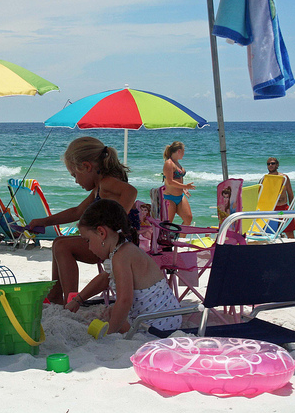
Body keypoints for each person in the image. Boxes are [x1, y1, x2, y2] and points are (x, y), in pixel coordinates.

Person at [28, 137, 137, 305]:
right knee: (58, 242)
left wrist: (118, 220)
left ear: (87, 167)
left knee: (62, 246)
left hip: (118, 245)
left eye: (74, 175)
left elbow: (131, 192)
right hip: (104, 242)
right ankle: (56, 295)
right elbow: (78, 212)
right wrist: (43, 221)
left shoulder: (107, 183)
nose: (76, 181)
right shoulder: (99, 188)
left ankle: (70, 299)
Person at [65, 199, 181, 334]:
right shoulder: (122, 249)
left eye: (88, 240)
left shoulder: (121, 256)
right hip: (167, 316)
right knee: (112, 311)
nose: (89, 247)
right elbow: (104, 278)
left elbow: (125, 300)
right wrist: (78, 300)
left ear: (101, 233)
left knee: (115, 313)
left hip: (158, 324)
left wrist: (109, 334)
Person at [162, 141, 195, 228]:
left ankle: (180, 238)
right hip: (169, 197)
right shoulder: (169, 163)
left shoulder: (177, 163)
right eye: (183, 151)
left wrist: (183, 189)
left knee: (188, 219)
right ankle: (164, 240)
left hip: (180, 196)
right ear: (179, 151)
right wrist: (185, 186)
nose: (184, 154)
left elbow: (178, 180)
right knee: (167, 224)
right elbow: (170, 181)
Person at [265, 157, 295, 238]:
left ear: (277, 165)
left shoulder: (284, 178)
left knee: (289, 232)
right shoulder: (265, 178)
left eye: (273, 163)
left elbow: (290, 194)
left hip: (283, 208)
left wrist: (291, 208)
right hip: (272, 209)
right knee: (270, 233)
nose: (270, 165)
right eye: (268, 164)